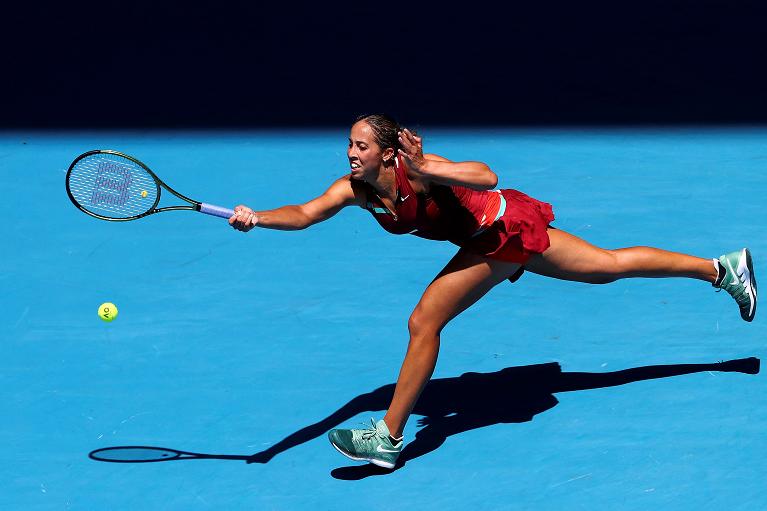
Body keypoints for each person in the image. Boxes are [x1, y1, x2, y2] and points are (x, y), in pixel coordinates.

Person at [228, 113, 757, 469]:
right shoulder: (357, 190)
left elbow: (486, 174)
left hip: (501, 231)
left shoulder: (421, 172)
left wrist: (428, 164)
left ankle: (387, 437)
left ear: (388, 154)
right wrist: (259, 218)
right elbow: (304, 214)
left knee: (424, 321)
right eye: (349, 144)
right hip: (500, 233)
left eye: (360, 146)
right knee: (605, 267)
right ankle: (719, 269)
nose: (349, 153)